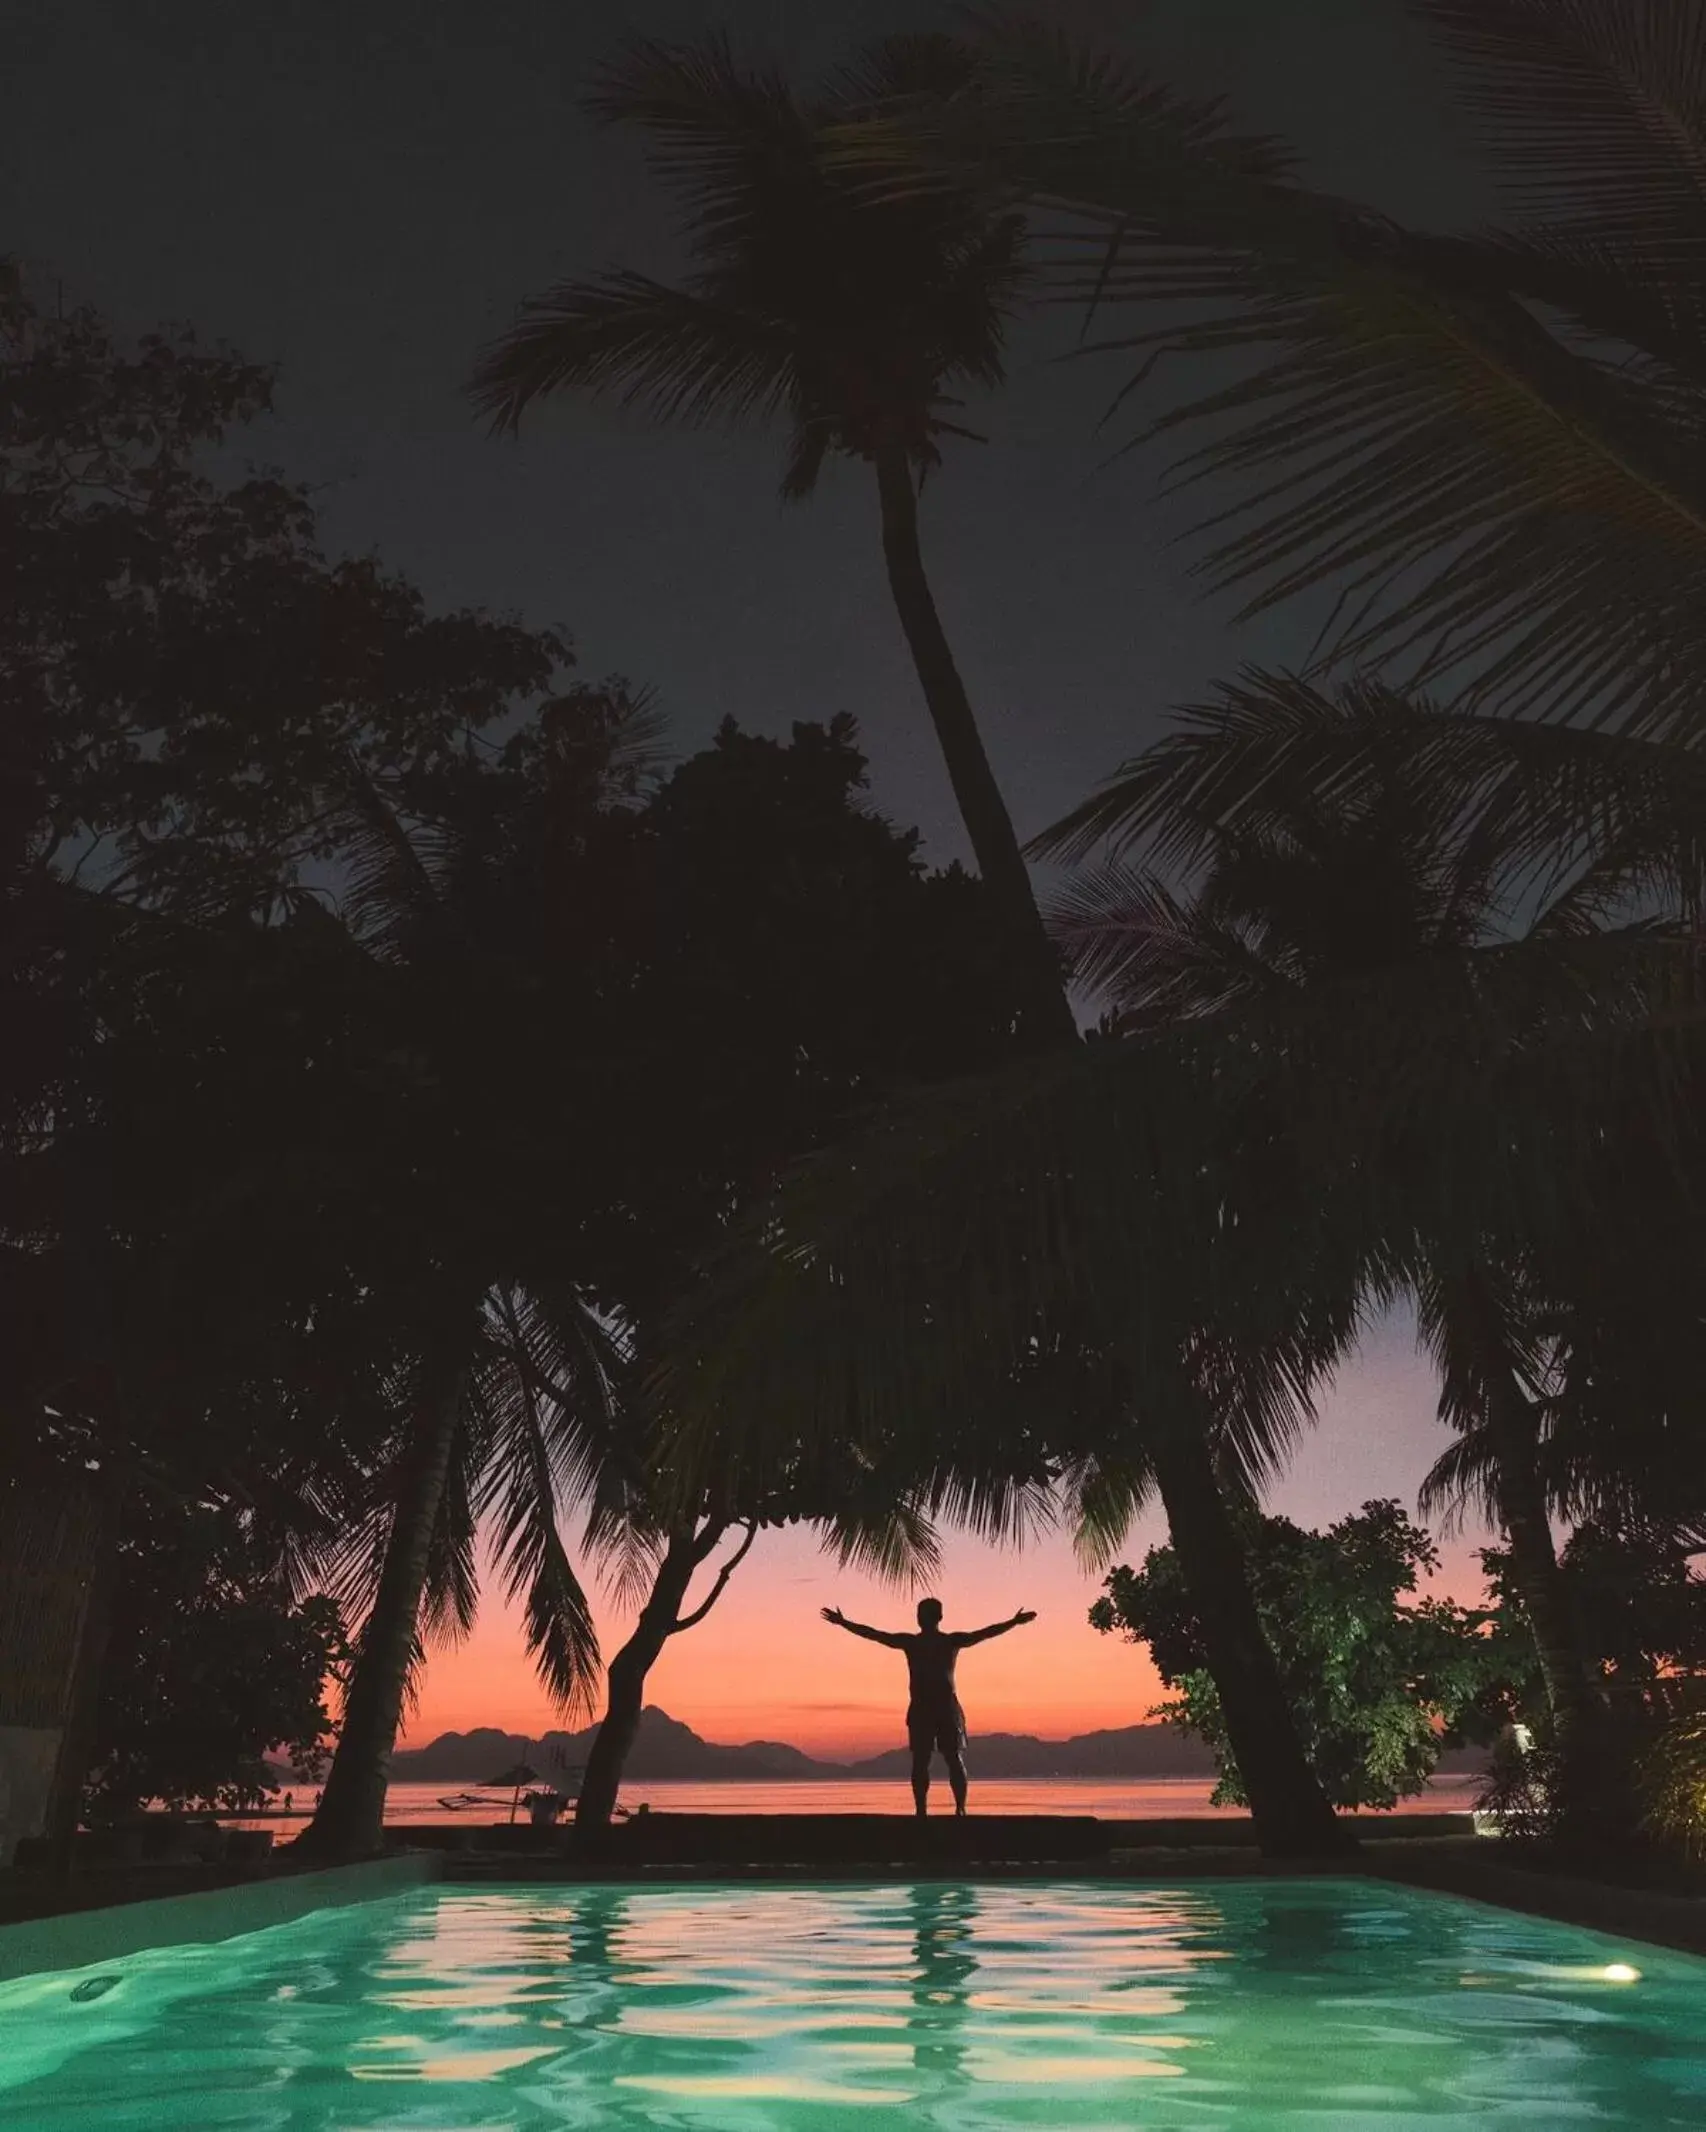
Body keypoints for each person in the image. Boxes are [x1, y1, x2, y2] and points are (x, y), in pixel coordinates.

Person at [821, 1597, 1037, 1816]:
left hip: (945, 1707)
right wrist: (844, 1623)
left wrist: (1013, 1622)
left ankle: (957, 1808)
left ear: (936, 1617)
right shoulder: (913, 1642)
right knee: (925, 1759)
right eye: (919, 1613)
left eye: (923, 1613)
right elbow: (875, 1635)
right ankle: (924, 1809)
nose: (920, 1617)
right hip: (924, 1707)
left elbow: (984, 1633)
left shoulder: (948, 1641)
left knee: (950, 1757)